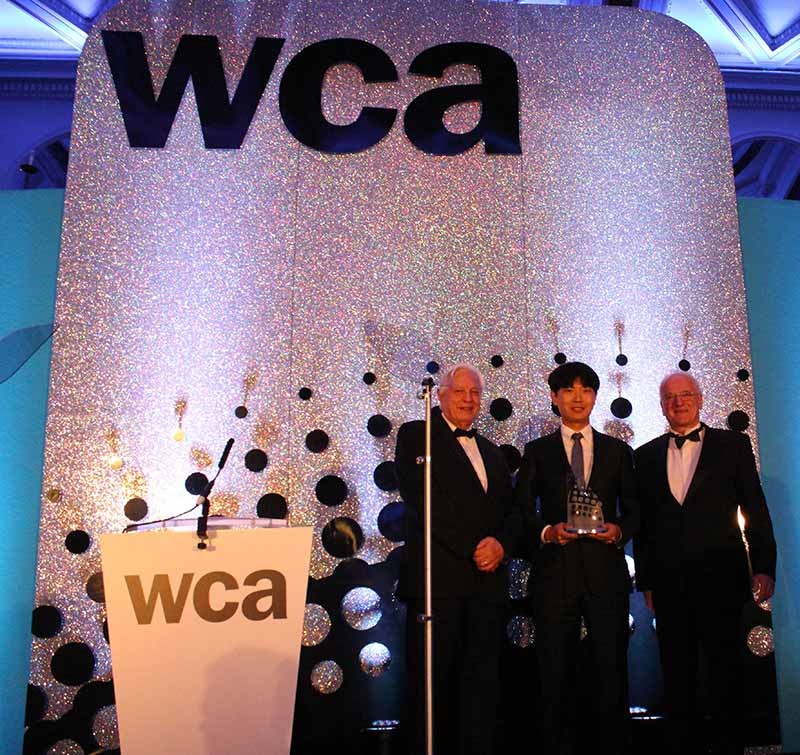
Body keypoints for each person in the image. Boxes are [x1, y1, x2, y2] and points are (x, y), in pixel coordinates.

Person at [634, 371, 777, 755]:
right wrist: (647, 581)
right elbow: (644, 524)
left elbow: (754, 507)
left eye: (685, 395)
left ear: (699, 399)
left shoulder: (733, 445)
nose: (678, 402)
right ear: (661, 405)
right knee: (676, 676)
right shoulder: (644, 456)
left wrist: (764, 565)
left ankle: (730, 747)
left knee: (725, 674)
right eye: (670, 397)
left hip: (722, 578)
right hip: (669, 584)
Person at [514, 361, 638, 755]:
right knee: (553, 674)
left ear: (596, 397)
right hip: (555, 576)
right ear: (555, 397)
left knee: (611, 673)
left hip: (606, 575)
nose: (578, 397)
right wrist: (547, 532)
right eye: (568, 390)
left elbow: (636, 510)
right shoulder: (537, 452)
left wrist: (620, 531)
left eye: (585, 389)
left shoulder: (618, 452)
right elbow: (521, 511)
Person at [395, 363, 516, 755]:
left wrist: (500, 545)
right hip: (439, 586)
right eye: (460, 391)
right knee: (432, 693)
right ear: (441, 395)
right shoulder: (418, 436)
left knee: (481, 691)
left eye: (475, 392)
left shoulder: (492, 452)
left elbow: (510, 511)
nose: (468, 399)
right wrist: (474, 548)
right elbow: (424, 502)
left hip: (487, 588)